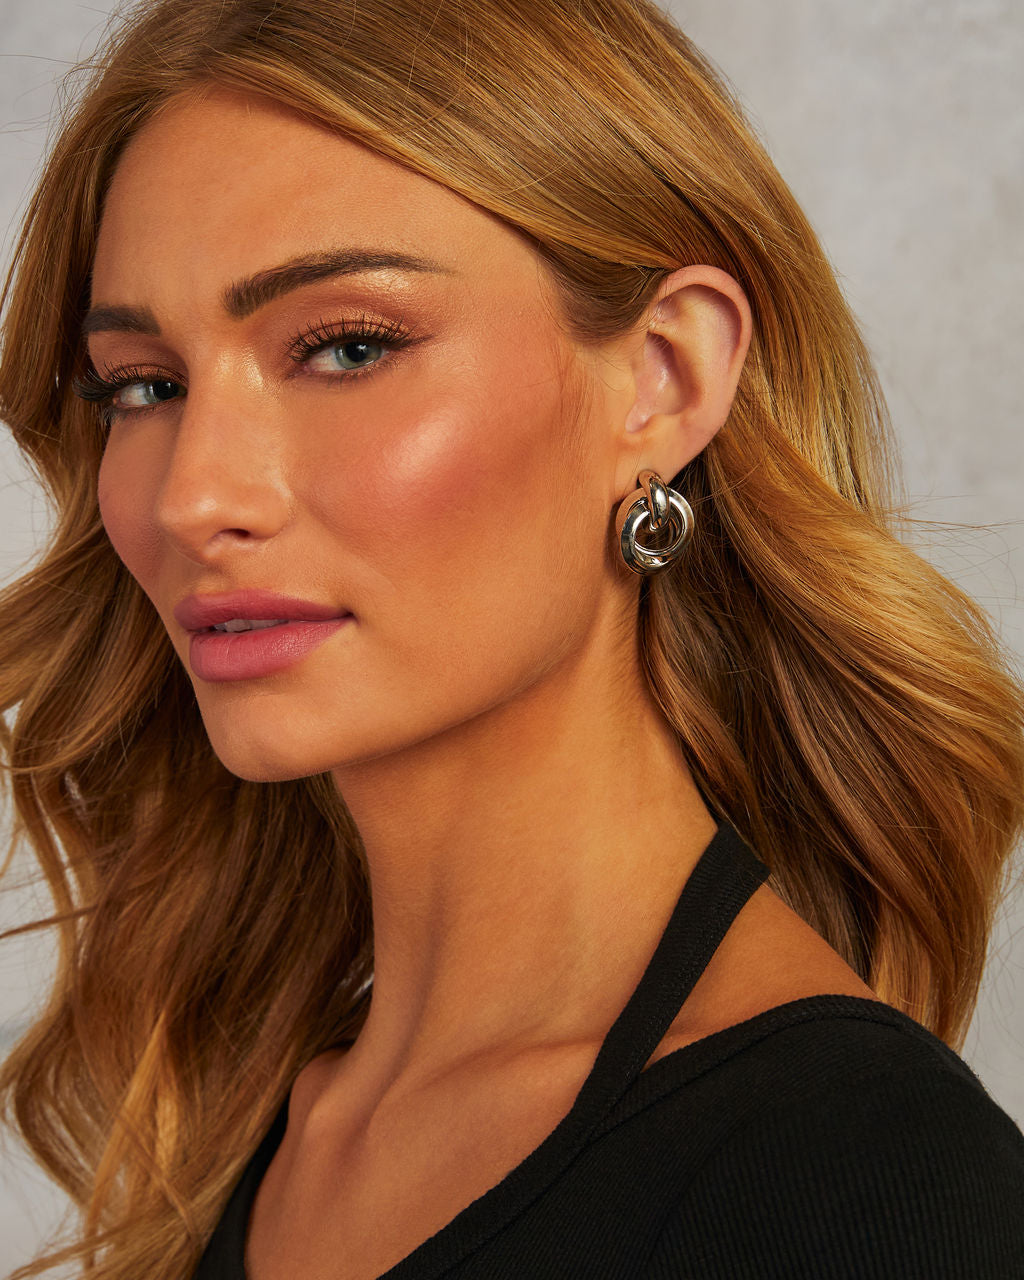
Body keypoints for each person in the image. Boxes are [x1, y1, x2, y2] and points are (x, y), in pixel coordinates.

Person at [1, 0, 1022, 1276]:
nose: (193, 496)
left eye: (346, 347)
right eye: (145, 385)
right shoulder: (261, 1125)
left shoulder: (862, 1180)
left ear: (664, 377)